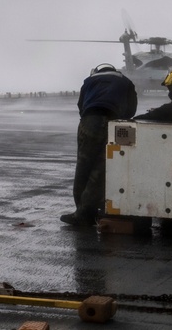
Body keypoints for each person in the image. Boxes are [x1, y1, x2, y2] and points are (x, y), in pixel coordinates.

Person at [61, 63, 138, 227]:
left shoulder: (88, 81)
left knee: (84, 166)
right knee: (103, 166)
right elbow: (132, 108)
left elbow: (81, 105)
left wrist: (89, 119)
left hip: (90, 121)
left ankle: (82, 212)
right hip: (115, 122)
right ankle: (92, 208)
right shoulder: (126, 81)